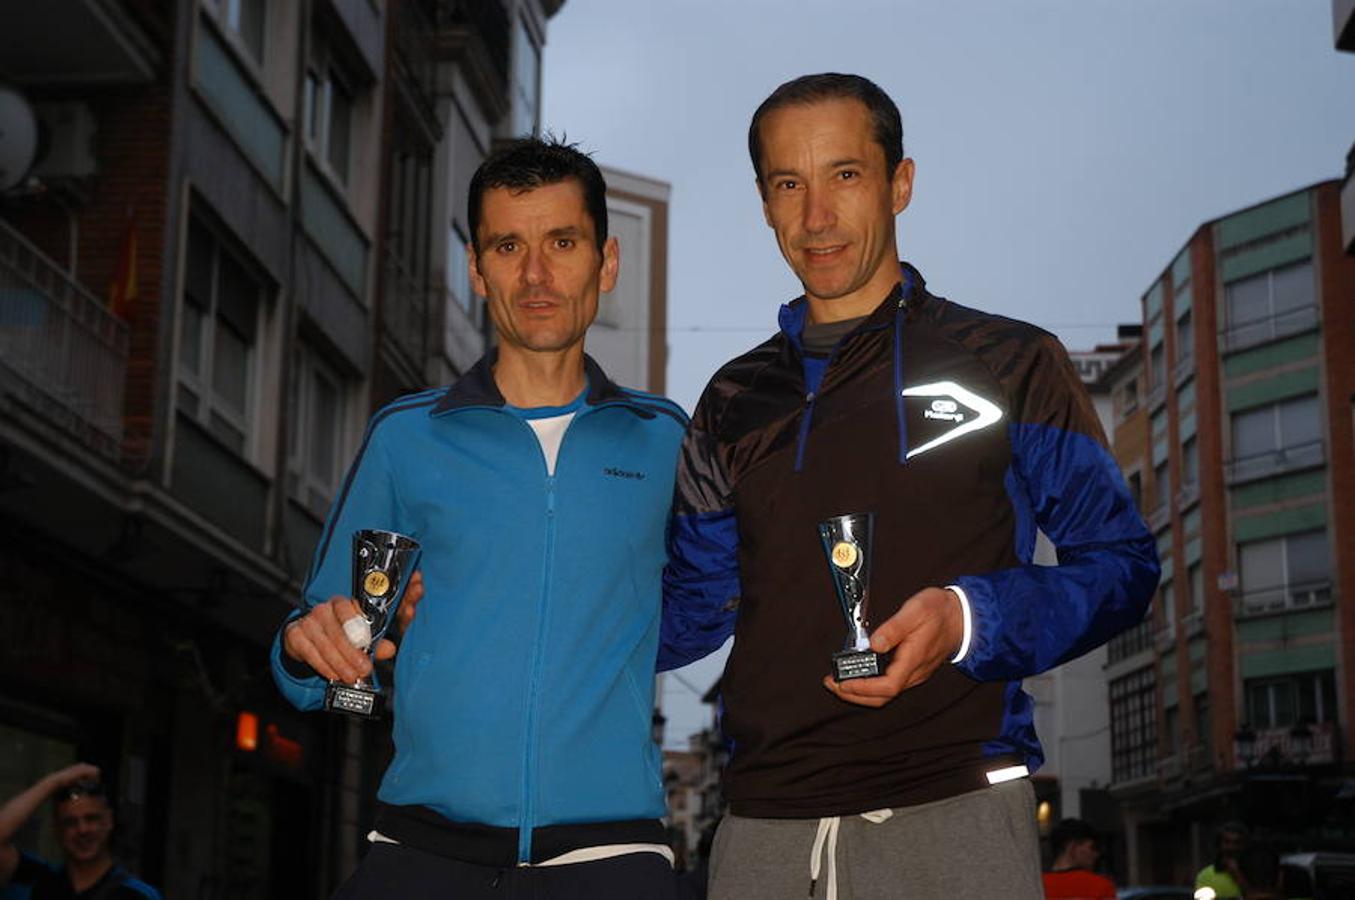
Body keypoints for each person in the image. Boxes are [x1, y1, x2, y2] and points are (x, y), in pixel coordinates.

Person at [659, 73, 1160, 899]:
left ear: (899, 183)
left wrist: (968, 618)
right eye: (788, 184)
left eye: (844, 175)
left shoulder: (1008, 361)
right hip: (762, 828)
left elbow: (1121, 565)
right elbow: (691, 606)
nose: (816, 216)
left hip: (954, 811)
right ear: (763, 202)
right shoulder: (730, 399)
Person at [271, 137, 688, 897]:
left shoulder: (666, 441)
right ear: (476, 268)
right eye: (507, 246)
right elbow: (315, 644)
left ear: (607, 262)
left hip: (611, 856)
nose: (535, 274)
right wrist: (308, 648)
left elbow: (723, 598)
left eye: (562, 242)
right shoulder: (406, 436)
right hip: (422, 849)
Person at [0, 764, 161, 899]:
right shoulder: (35, 879)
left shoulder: (139, 895)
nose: (82, 830)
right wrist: (56, 781)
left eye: (91, 819)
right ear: (57, 829)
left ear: (109, 821)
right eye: (70, 822)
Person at [1042, 818, 1116, 900]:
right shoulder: (1101, 886)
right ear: (1072, 847)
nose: (1096, 854)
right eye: (1092, 847)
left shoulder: (1038, 885)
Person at [1195, 822, 1249, 899]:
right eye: (1227, 842)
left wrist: (1237, 874)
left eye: (1236, 843)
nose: (1231, 847)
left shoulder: (1253, 874)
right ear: (1219, 845)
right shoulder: (1205, 875)